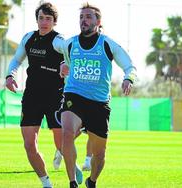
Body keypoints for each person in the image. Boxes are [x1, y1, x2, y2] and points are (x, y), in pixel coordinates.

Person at [59, 3, 137, 188]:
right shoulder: (69, 44)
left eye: (88, 17)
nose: (83, 20)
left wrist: (129, 79)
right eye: (81, 17)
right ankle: (71, 182)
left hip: (99, 103)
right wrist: (64, 68)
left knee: (100, 154)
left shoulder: (108, 44)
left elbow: (129, 66)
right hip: (74, 95)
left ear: (98, 21)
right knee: (67, 133)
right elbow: (67, 64)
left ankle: (91, 181)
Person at [5, 2, 65, 187]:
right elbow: (16, 60)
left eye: (48, 19)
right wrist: (10, 75)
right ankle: (46, 183)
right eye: (41, 18)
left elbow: (72, 58)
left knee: (62, 141)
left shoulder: (59, 41)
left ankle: (66, 157)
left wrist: (66, 65)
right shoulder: (29, 38)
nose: (44, 22)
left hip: (55, 96)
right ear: (37, 19)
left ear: (54, 22)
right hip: (31, 97)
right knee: (29, 145)